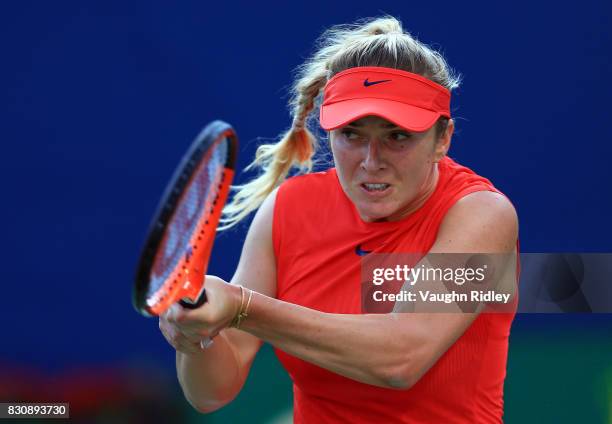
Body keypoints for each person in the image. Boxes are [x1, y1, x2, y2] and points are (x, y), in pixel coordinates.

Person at [158, 15, 519, 423]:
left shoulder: (483, 214)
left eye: (397, 136)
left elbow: (401, 360)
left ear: (443, 140)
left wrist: (241, 306)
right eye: (352, 134)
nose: (371, 160)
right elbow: (211, 393)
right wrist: (194, 337)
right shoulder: (286, 209)